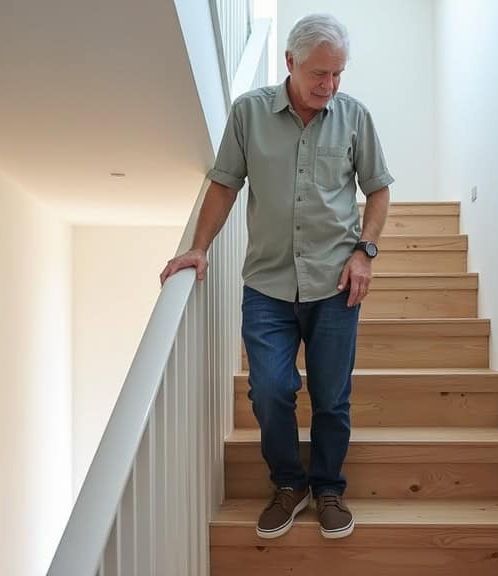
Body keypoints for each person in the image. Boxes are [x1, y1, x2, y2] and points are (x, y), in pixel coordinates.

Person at [159, 13, 392, 540]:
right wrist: (198, 248)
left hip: (336, 284)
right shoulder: (249, 113)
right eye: (319, 74)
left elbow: (378, 188)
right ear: (290, 62)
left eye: (338, 74)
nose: (329, 85)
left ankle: (328, 487)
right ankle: (289, 483)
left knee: (332, 396)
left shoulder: (354, 116)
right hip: (267, 284)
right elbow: (224, 184)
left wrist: (365, 252)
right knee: (268, 389)